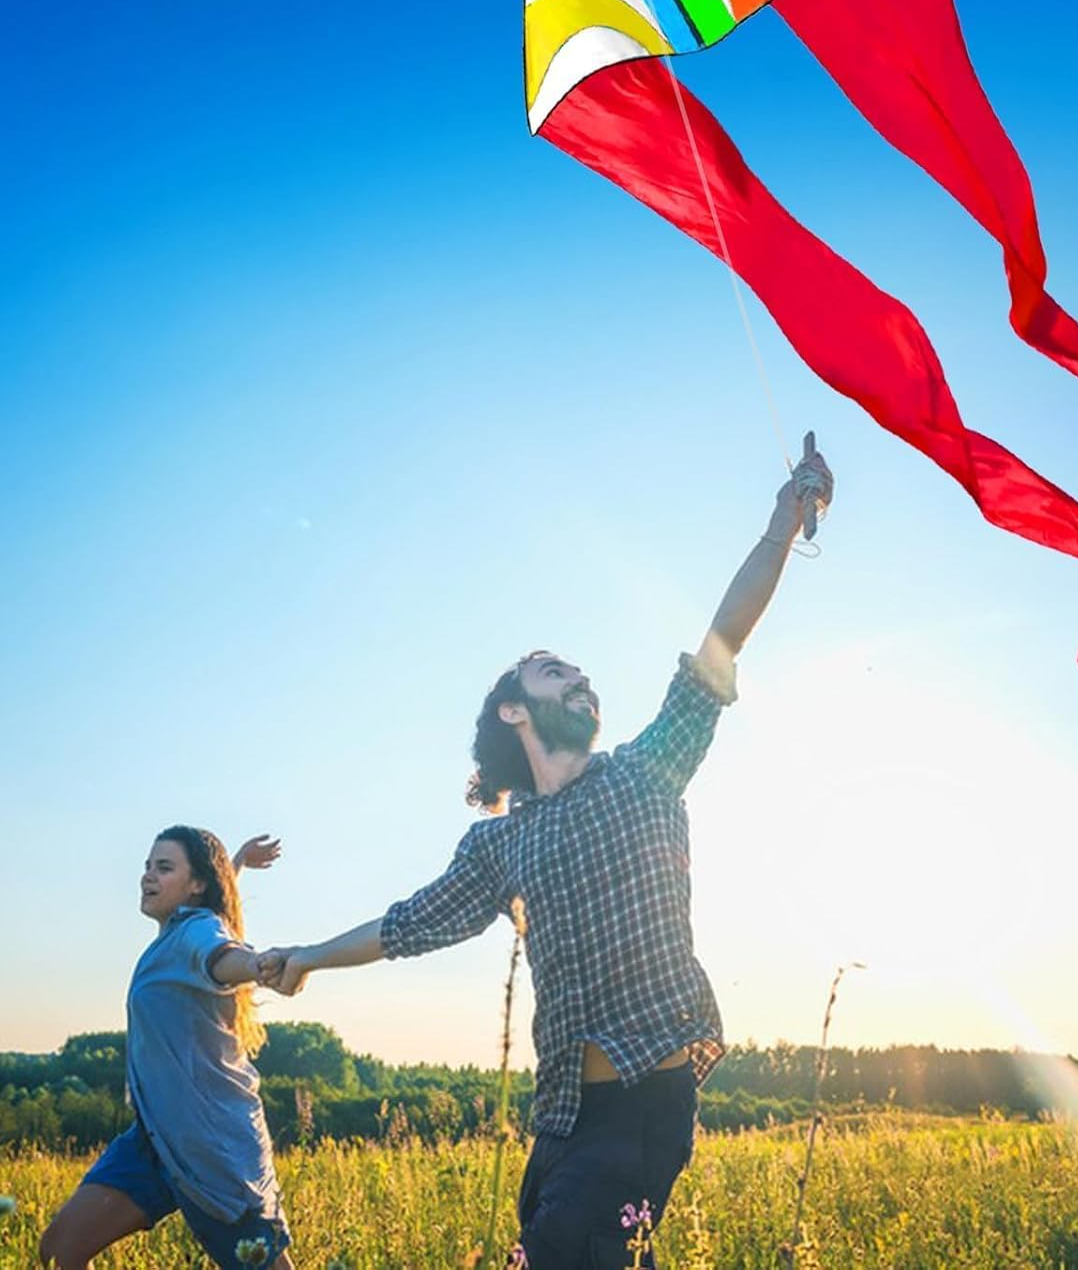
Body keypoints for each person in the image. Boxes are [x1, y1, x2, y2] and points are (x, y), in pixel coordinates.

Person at [263, 443, 834, 1268]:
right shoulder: (500, 843)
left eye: (580, 674)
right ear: (514, 712)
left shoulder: (645, 772)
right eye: (555, 672)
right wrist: (309, 957)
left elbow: (723, 639)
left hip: (645, 1106)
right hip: (562, 1118)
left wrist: (782, 522)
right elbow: (407, 925)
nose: (580, 680)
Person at [39, 830, 292, 1270]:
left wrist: (256, 965)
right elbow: (216, 909)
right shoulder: (180, 934)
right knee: (61, 1251)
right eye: (147, 866)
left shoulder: (196, 932)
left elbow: (221, 956)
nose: (147, 876)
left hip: (209, 1145)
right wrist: (237, 863)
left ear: (196, 884)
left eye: (164, 868)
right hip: (153, 1138)